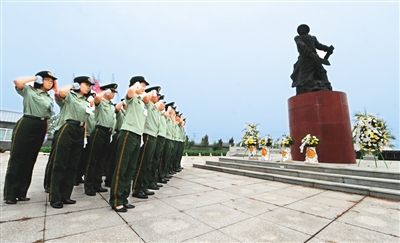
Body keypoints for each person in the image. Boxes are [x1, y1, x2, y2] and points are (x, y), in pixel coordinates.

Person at [3, 71, 56, 204]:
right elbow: (17, 82)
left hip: (41, 126)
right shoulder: (29, 90)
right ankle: (10, 194)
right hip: (27, 123)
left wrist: (46, 133)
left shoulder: (49, 98)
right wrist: (34, 78)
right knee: (17, 159)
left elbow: (48, 118)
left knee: (29, 161)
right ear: (40, 80)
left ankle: (21, 192)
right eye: (47, 80)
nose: (50, 82)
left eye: (52, 81)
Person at [49, 76, 93, 209]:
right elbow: (60, 93)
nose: (88, 87)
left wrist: (84, 137)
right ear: (78, 84)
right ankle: (55, 197)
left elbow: (85, 120)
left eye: (89, 85)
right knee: (60, 163)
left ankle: (65, 195)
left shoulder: (86, 101)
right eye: (85, 84)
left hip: (79, 130)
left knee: (72, 165)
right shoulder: (70, 96)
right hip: (67, 127)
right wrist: (72, 85)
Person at [109, 76, 149, 213]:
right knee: (121, 167)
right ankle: (116, 200)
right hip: (128, 133)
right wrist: (135, 86)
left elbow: (148, 99)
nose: (143, 88)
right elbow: (130, 93)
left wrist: (142, 91)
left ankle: (124, 199)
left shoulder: (141, 102)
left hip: (137, 136)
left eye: (144, 86)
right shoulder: (131, 98)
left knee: (130, 169)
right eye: (141, 85)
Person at [84, 83, 117, 196]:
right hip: (99, 131)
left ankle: (97, 184)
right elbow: (97, 98)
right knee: (93, 159)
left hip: (107, 132)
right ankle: (89, 185)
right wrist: (104, 92)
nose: (113, 94)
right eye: (111, 91)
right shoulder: (100, 102)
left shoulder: (112, 105)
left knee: (102, 160)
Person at [131, 86, 161, 199]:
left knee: (147, 163)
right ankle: (137, 188)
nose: (157, 97)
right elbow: (145, 97)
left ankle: (143, 186)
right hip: (147, 135)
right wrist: (150, 92)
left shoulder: (154, 107)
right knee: (142, 163)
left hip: (153, 135)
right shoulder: (147, 103)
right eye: (156, 94)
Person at [290, 24, 334, 95]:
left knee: (321, 71)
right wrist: (309, 52)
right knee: (304, 74)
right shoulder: (298, 38)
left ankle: (327, 85)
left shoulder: (312, 38)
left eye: (303, 28)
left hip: (315, 58)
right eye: (300, 29)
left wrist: (328, 48)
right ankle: (301, 86)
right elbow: (301, 45)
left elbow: (319, 46)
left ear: (307, 30)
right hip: (305, 58)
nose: (302, 30)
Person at [104, 99, 126, 187]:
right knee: (113, 159)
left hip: (125, 135)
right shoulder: (121, 112)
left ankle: (116, 179)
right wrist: (123, 102)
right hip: (118, 134)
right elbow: (116, 108)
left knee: (120, 159)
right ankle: (108, 179)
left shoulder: (130, 114)